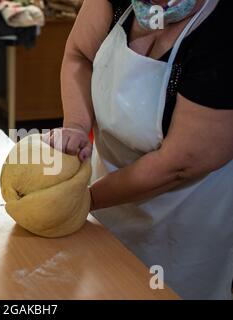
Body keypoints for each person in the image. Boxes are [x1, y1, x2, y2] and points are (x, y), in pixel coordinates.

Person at [45, 0, 233, 299]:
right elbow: (79, 56)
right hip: (101, 198)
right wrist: (77, 126)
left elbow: (178, 166)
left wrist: (77, 201)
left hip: (182, 222)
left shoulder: (222, 30)